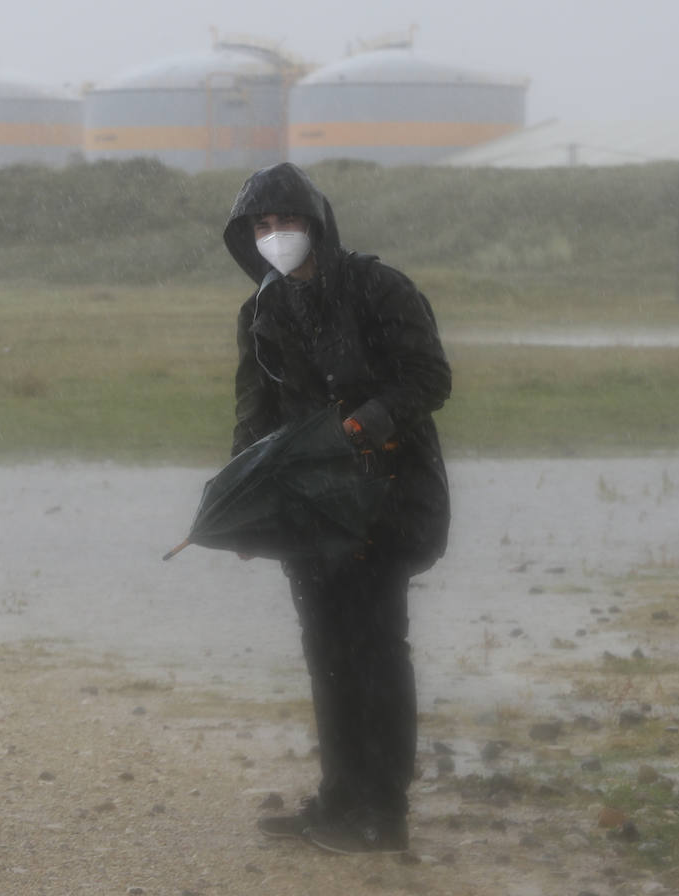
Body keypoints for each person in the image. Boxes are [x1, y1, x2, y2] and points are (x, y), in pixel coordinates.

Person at [222, 162, 451, 854]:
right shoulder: (259, 312)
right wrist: (243, 501)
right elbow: (252, 419)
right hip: (307, 516)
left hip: (388, 499)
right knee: (326, 652)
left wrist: (364, 425)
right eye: (262, 226)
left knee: (377, 649)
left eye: (286, 221)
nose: (275, 235)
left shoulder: (380, 288)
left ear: (316, 223)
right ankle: (339, 799)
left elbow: (429, 379)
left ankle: (385, 812)